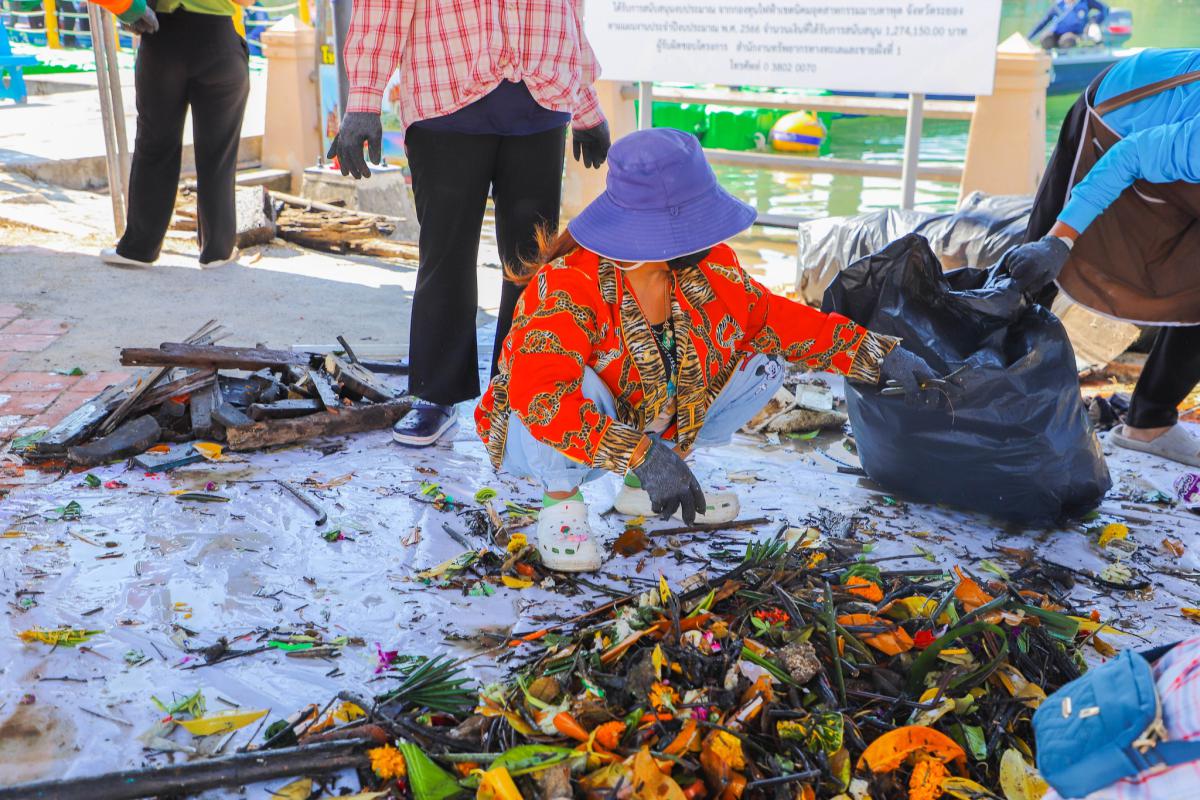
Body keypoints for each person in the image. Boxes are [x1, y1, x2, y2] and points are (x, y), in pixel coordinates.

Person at [475, 129, 960, 572]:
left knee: (762, 363)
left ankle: (647, 487)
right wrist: (639, 453)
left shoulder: (708, 268)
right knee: (565, 384)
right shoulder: (569, 285)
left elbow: (773, 318)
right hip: (537, 432)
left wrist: (877, 354)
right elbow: (539, 398)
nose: (711, 235)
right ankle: (561, 505)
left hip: (643, 421)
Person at [328, 1, 611, 449]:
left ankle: (521, 395)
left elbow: (570, 12)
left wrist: (586, 105)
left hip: (542, 104)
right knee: (447, 257)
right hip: (447, 94)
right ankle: (437, 396)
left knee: (530, 263)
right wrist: (364, 100)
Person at [1012, 48, 1200, 468]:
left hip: (1175, 152)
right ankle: (980, 387)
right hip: (1117, 115)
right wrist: (1059, 241)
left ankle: (1150, 424)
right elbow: (1128, 157)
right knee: (1037, 272)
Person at [98, 0, 254, 270]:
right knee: (218, 153)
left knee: (154, 144)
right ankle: (217, 251)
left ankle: (138, 249)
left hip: (162, 39)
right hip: (218, 41)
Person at [1029, 0, 1108, 50]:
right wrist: (1029, 38)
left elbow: (1105, 9)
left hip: (1074, 35)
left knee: (1067, 40)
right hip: (1056, 34)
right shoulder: (1058, 5)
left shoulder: (1085, 2)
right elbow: (1043, 23)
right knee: (1046, 38)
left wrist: (1094, 21)